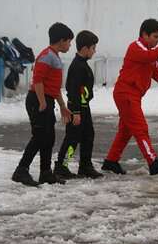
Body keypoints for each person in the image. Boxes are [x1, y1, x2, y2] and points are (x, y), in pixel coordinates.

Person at [102, 19, 158, 175]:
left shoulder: (152, 55)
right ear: (144, 34)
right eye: (155, 37)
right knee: (140, 128)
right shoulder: (136, 48)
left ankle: (111, 161)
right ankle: (153, 161)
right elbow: (149, 56)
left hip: (133, 95)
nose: (157, 41)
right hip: (126, 93)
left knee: (125, 131)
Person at [11, 22, 73, 186]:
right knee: (39, 137)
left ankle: (45, 172)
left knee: (49, 137)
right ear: (61, 41)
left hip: (47, 99)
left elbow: (54, 88)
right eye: (69, 41)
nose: (70, 45)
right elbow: (38, 81)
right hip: (37, 100)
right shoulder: (46, 56)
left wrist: (62, 105)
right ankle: (21, 170)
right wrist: (42, 102)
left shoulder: (54, 57)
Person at [54, 30, 103, 179]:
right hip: (77, 109)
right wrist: (75, 112)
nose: (94, 51)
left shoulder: (83, 65)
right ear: (85, 49)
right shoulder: (77, 67)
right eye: (93, 48)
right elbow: (73, 90)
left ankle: (85, 165)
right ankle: (62, 165)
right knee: (72, 139)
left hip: (83, 108)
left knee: (88, 135)